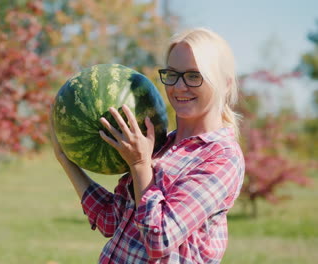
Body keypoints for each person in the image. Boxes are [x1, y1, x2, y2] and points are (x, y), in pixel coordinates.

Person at [49, 27, 245, 264]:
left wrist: (140, 164)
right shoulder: (159, 144)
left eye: (194, 76)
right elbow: (112, 219)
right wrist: (66, 160)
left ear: (225, 84)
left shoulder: (221, 157)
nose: (179, 87)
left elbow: (159, 239)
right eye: (172, 74)